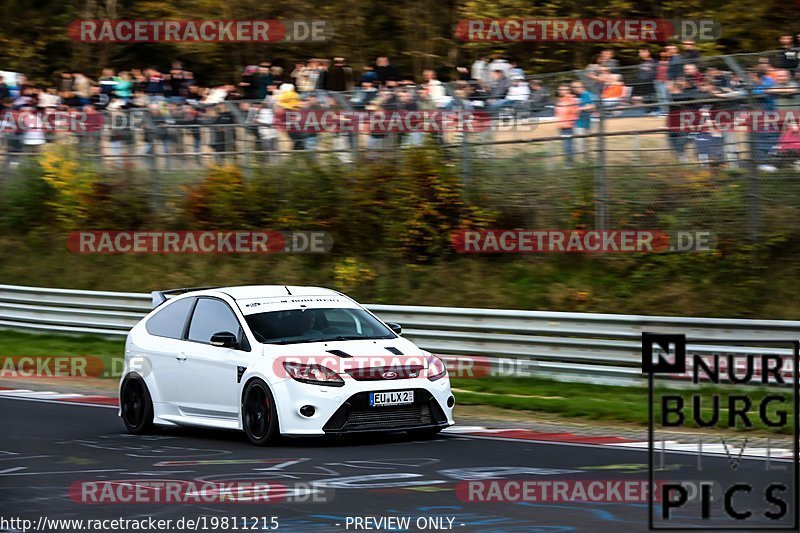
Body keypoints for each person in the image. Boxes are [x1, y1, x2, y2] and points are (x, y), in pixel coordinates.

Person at [555, 85, 579, 165]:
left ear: (568, 91)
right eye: (560, 90)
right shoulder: (560, 101)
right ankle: (570, 162)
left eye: (563, 90)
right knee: (565, 145)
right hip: (561, 126)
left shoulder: (571, 100)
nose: (561, 91)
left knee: (567, 145)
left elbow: (575, 112)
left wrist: (571, 121)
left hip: (568, 126)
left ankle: (569, 163)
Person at [571, 81, 596, 160]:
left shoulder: (586, 94)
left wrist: (578, 109)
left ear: (582, 86)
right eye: (573, 87)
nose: (574, 89)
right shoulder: (580, 96)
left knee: (580, 143)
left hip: (583, 123)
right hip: (579, 122)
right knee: (582, 143)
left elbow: (593, 106)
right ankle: (585, 161)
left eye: (576, 87)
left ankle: (583, 161)